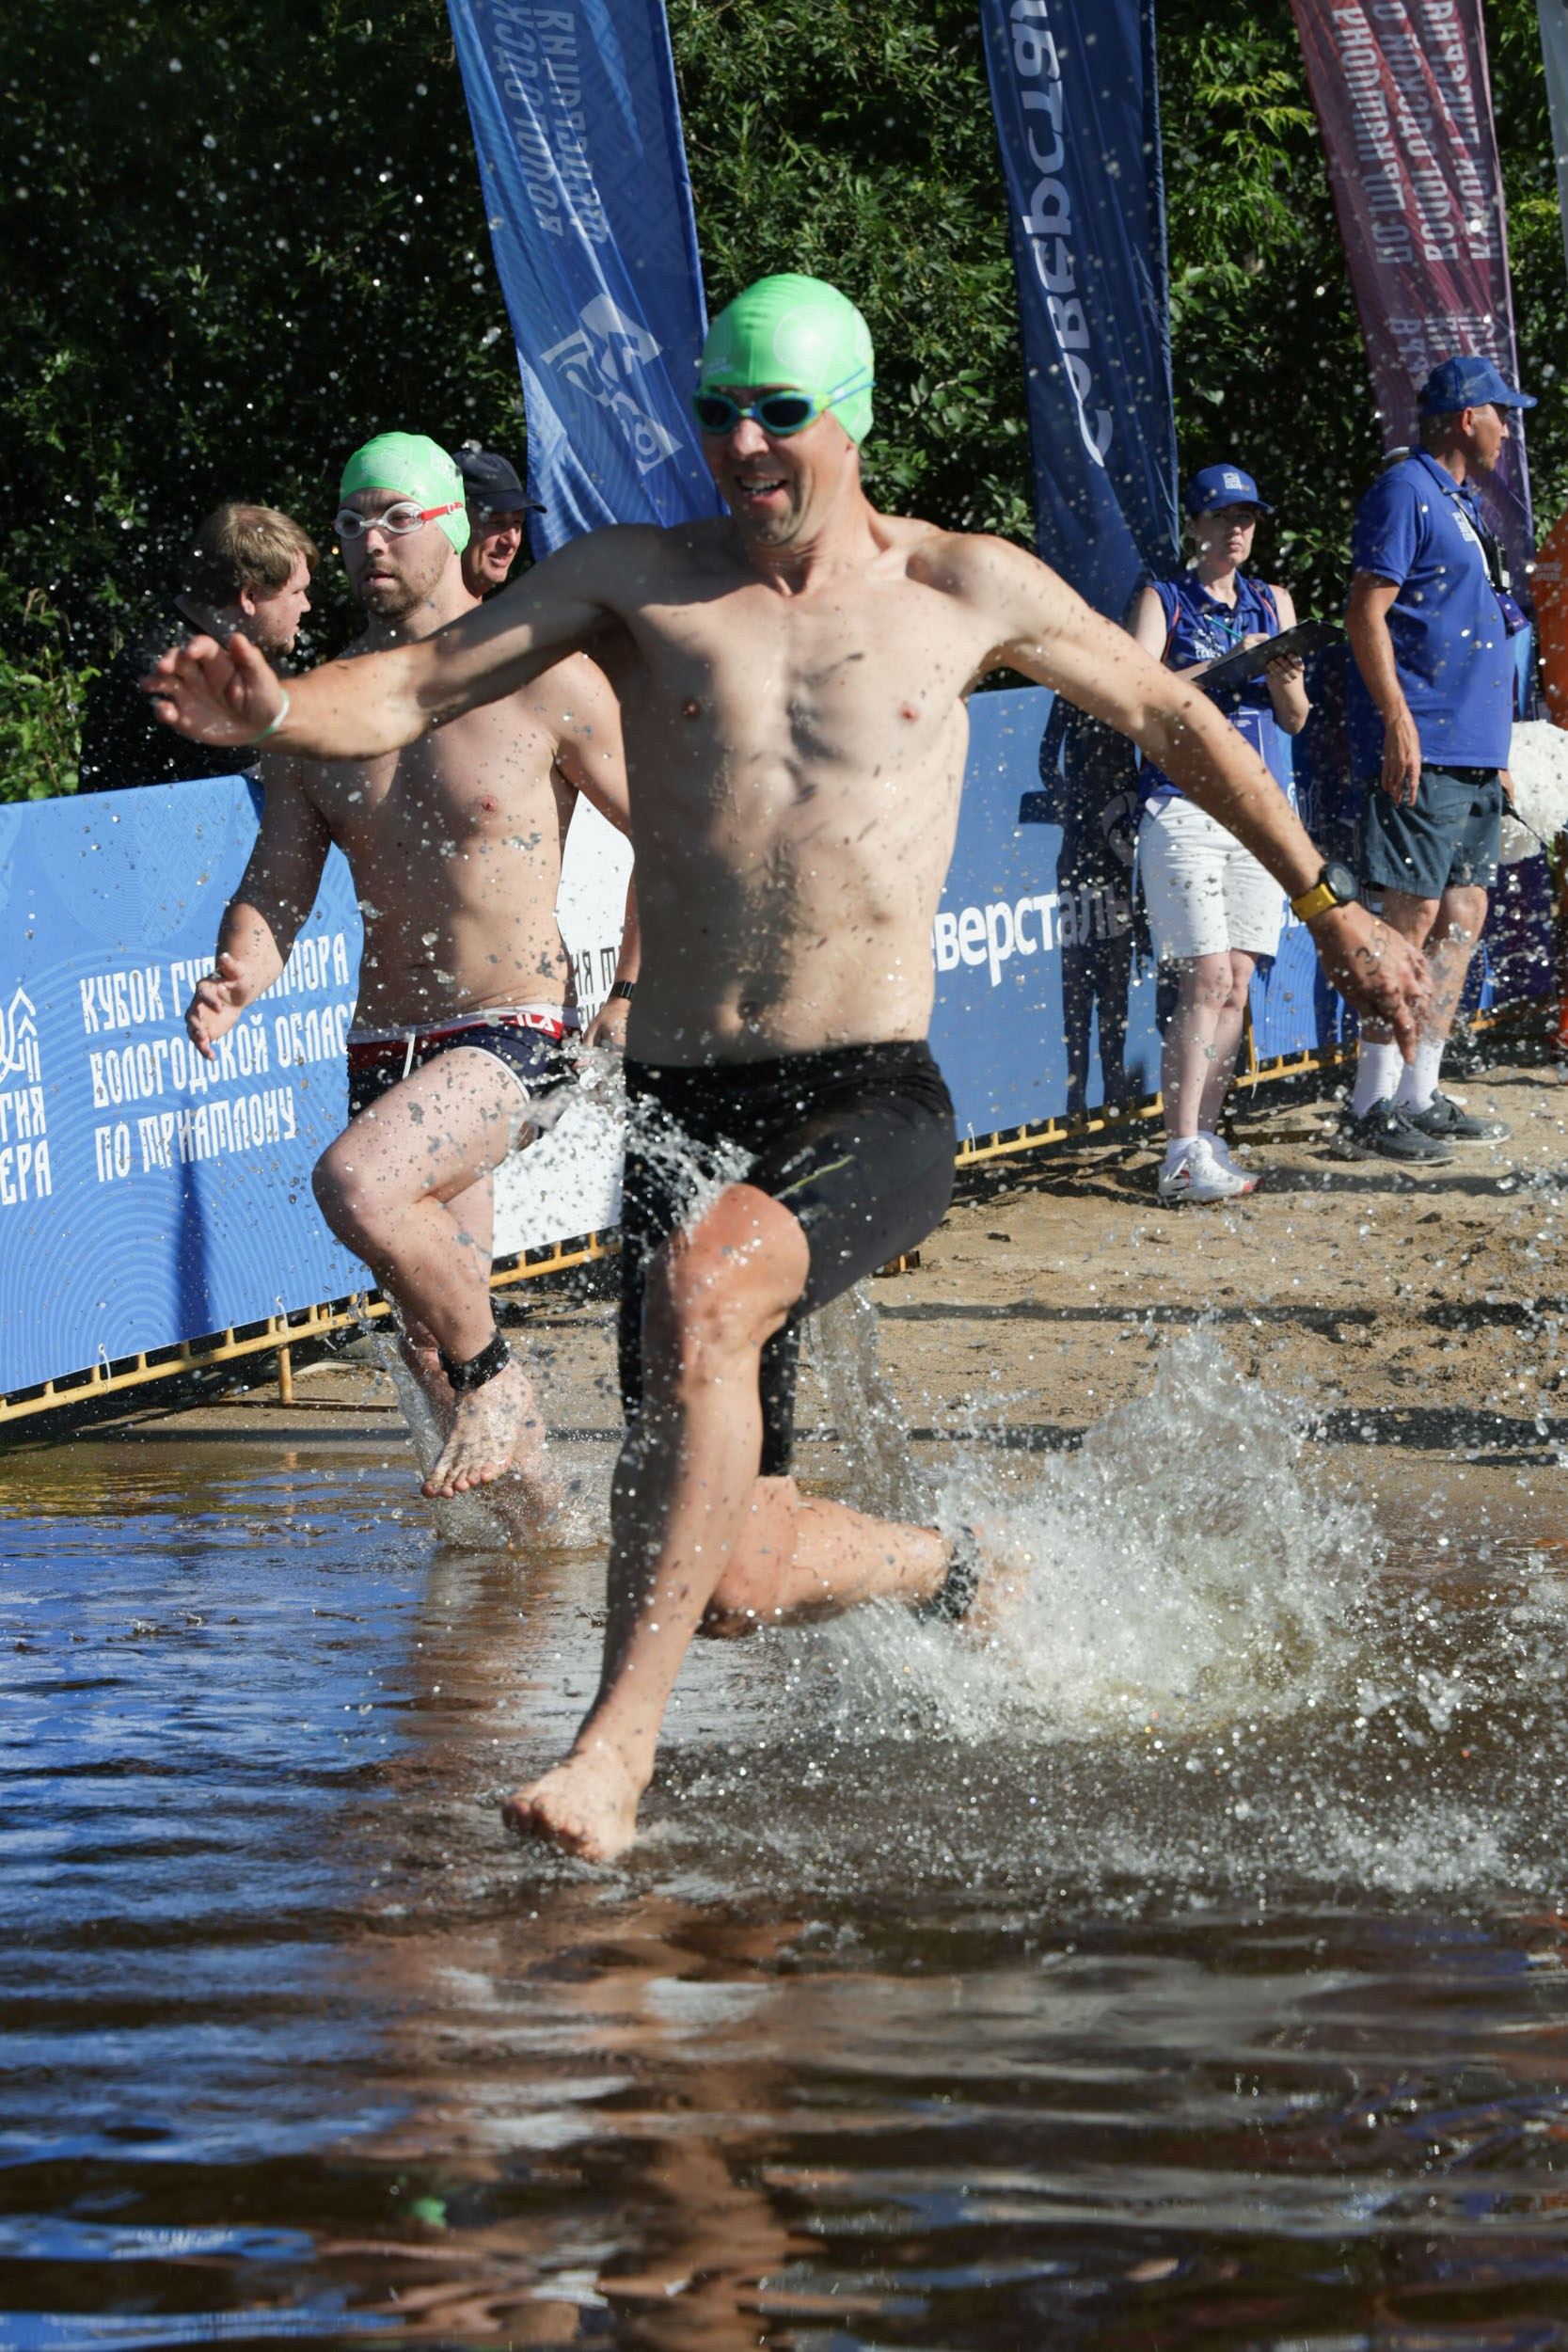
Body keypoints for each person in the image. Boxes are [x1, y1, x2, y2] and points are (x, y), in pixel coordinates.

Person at [146, 274, 1431, 1863]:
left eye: (777, 415)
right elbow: (411, 683)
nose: (741, 445)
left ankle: (608, 1758)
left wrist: (1328, 908)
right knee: (732, 1571)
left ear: (853, 418)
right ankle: (959, 1568)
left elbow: (1171, 715)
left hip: (863, 1093)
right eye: (717, 415)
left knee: (704, 1291)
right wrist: (282, 706)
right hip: (684, 1105)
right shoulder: (639, 582)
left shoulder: (962, 585)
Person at [180, 432, 637, 1522]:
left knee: (358, 1185)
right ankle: (546, 1543)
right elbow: (276, 888)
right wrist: (239, 971)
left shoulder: (541, 675)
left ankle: (499, 1379)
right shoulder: (320, 711)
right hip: (388, 1046)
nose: (368, 541)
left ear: (451, 528)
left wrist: (627, 990)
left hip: (515, 1029)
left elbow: (672, 838)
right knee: (430, 1334)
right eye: (349, 523)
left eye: (394, 518)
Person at [1339, 354, 1531, 1162]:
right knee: (1407, 920)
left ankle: (1419, 1092)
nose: (1506, 431)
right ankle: (1368, 1105)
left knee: (1463, 915)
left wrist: (1496, 751)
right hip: (1424, 741)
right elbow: (1364, 610)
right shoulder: (1403, 490)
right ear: (1465, 418)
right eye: (1500, 414)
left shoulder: (1461, 502)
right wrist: (1395, 718)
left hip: (1471, 751)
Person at [1129, 465, 1310, 1203]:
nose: (1236, 530)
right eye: (1222, 517)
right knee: (1203, 978)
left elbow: (1295, 718)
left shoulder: (1272, 599)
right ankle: (1177, 1151)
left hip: (1259, 811)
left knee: (1236, 982)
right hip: (1184, 805)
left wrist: (1282, 675)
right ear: (1195, 525)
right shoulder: (1163, 597)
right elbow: (1134, 689)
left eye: (1246, 518)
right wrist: (1225, 665)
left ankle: (1203, 1140)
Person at [78, 503, 317, 792]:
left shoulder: (190, 636)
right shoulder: (185, 678)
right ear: (249, 596)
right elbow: (299, 790)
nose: (306, 605)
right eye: (296, 592)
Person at [453, 444, 539, 598]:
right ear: (453, 522)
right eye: (496, 522)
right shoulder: (416, 611)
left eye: (517, 523)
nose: (512, 541)